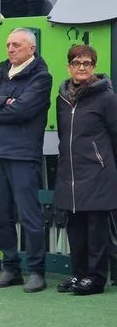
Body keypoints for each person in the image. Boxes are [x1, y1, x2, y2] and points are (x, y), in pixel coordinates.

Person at [0, 28, 52, 292]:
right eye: (8, 44)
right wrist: (2, 103)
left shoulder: (41, 77)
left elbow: (22, 110)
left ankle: (37, 271)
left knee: (30, 215)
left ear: (31, 48)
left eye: (16, 45)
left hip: (22, 154)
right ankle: (11, 269)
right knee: (0, 214)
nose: (10, 49)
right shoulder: (2, 73)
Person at [54, 45, 117, 296]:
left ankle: (96, 278)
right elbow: (63, 135)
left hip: (98, 173)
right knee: (76, 229)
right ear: (69, 66)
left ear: (94, 67)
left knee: (96, 229)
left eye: (87, 63)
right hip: (70, 174)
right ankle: (78, 275)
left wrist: (105, 163)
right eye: (77, 62)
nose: (82, 67)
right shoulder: (61, 98)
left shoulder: (107, 98)